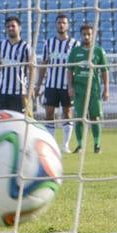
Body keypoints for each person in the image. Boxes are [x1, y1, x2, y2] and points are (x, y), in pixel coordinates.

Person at [67, 22, 109, 154]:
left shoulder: (98, 51)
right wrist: (70, 87)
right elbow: (69, 70)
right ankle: (80, 145)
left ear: (93, 35)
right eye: (84, 34)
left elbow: (104, 71)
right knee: (79, 117)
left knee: (95, 118)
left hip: (94, 90)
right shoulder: (75, 52)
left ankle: (97, 145)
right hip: (79, 90)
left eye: (89, 34)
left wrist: (106, 88)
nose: (86, 37)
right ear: (81, 36)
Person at [38, 13, 76, 152]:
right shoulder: (48, 43)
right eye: (59, 22)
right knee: (49, 113)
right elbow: (44, 64)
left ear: (68, 25)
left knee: (67, 113)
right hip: (51, 85)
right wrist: (38, 84)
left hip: (67, 86)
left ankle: (65, 145)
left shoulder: (74, 44)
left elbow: (76, 66)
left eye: (64, 23)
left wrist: (74, 85)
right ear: (56, 24)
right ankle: (52, 144)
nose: (61, 25)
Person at [0, 15, 35, 113]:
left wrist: (31, 89)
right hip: (2, 92)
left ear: (19, 28)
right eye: (8, 26)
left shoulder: (26, 47)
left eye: (13, 26)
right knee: (0, 122)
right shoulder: (1, 46)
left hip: (20, 92)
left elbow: (32, 70)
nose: (10, 28)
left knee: (19, 123)